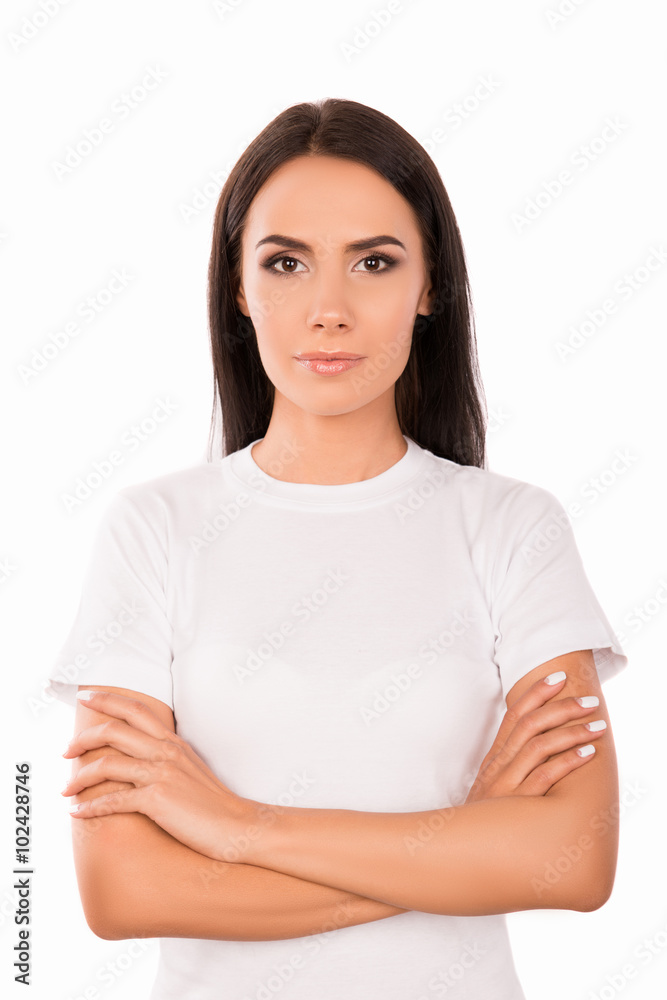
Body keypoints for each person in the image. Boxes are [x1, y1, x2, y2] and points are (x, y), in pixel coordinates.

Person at [46, 97, 628, 1000]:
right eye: (285, 263)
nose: (328, 310)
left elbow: (573, 859)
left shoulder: (513, 527)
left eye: (374, 262)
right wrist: (463, 839)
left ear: (429, 286)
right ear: (236, 287)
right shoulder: (153, 528)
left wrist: (235, 827)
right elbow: (124, 891)